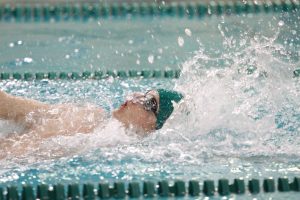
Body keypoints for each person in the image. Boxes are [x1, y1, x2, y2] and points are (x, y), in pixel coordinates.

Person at [0, 89, 183, 157]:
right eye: (143, 93)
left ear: (153, 125)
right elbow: (11, 105)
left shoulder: (102, 144)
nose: (135, 97)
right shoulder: (92, 114)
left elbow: (17, 152)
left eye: (149, 102)